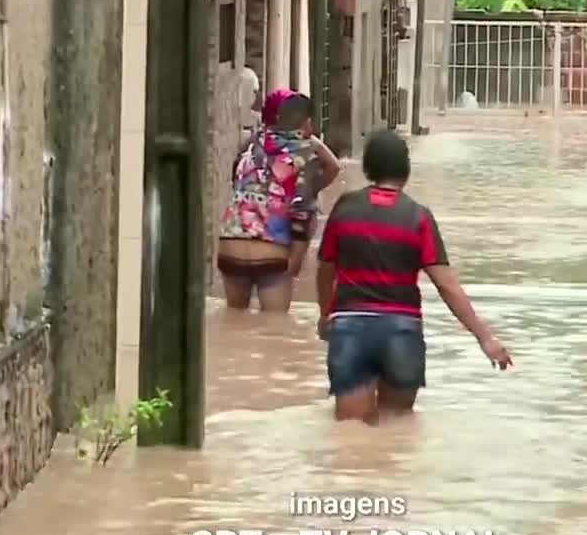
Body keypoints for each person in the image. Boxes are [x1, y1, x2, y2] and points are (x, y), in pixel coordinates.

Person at [315, 130, 512, 424]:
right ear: (405, 169)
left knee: (351, 435)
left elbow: (325, 269)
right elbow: (446, 284)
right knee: (397, 431)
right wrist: (485, 338)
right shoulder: (418, 217)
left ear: (368, 167)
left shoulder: (345, 209)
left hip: (351, 328)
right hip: (402, 331)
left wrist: (325, 313)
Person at [217, 92, 341, 312]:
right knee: (274, 327)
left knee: (235, 319)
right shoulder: (307, 154)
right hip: (270, 253)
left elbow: (236, 177)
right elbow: (302, 211)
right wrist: (296, 258)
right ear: (308, 123)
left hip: (230, 245)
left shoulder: (252, 142)